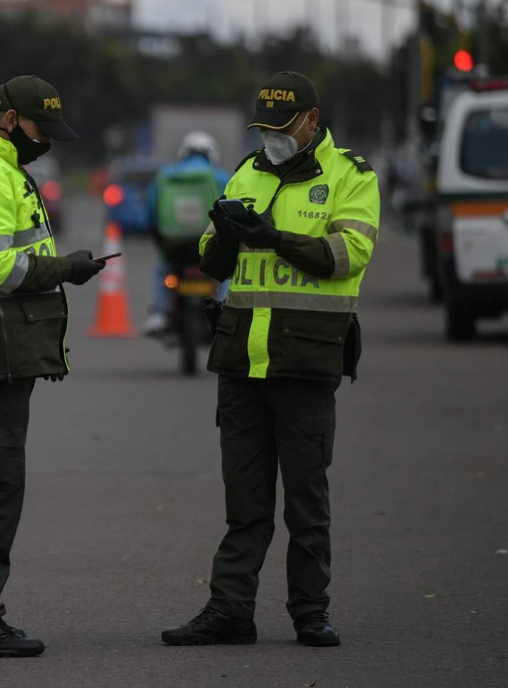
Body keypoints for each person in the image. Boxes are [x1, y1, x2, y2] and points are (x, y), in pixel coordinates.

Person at [162, 71, 379, 648]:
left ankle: (310, 612)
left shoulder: (350, 177)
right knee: (245, 502)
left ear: (311, 120)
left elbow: (347, 255)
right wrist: (230, 238)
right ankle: (230, 610)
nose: (272, 138)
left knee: (306, 502)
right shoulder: (245, 172)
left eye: (282, 128)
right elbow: (211, 260)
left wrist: (274, 236)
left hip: (305, 361)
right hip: (240, 357)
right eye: (264, 129)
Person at [0, 75, 106, 657]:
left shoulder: (0, 167)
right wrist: (65, 269)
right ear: (10, 120)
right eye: (40, 130)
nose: (46, 142)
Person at [139, 131, 232, 336]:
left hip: (175, 244)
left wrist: (159, 238)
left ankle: (160, 313)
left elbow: (151, 211)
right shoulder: (221, 177)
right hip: (209, 244)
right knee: (225, 273)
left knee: (160, 270)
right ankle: (225, 312)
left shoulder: (166, 176)